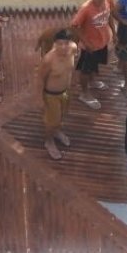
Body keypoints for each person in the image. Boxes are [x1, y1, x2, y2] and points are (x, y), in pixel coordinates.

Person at [35, 27, 79, 161]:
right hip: (51, 94)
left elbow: (72, 67)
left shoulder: (73, 48)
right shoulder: (49, 60)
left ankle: (57, 131)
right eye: (60, 44)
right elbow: (40, 79)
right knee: (51, 121)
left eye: (66, 43)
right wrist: (39, 99)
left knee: (62, 114)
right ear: (55, 44)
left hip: (65, 92)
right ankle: (48, 141)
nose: (64, 47)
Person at [70, 0, 114, 109]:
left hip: (103, 41)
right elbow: (74, 26)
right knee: (85, 70)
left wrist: (114, 33)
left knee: (95, 66)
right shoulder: (86, 9)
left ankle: (93, 81)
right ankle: (84, 93)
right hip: (90, 47)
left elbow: (110, 14)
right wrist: (86, 43)